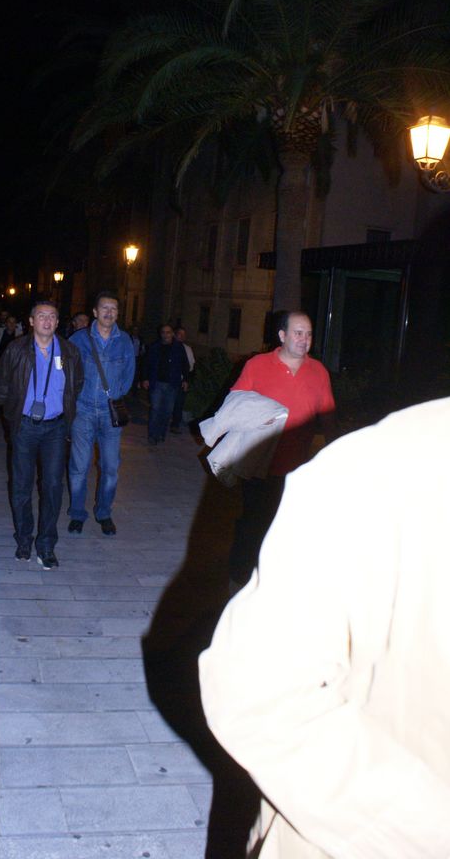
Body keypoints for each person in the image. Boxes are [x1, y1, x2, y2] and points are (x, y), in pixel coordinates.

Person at [199, 396, 450, 859]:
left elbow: (327, 413)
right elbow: (257, 689)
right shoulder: (380, 469)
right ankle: (247, 576)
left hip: (291, 463)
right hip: (267, 466)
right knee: (252, 521)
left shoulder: (317, 381)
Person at [227, 310, 336, 589]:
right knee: (253, 523)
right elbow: (235, 402)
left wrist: (335, 450)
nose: (304, 339)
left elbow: (328, 417)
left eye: (308, 334)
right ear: (282, 335)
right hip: (259, 464)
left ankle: (276, 582)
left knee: (288, 527)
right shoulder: (257, 365)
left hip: (297, 468)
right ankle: (239, 579)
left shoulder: (319, 372)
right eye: (298, 333)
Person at [0, 301, 83, 569]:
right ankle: (24, 539)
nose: (47, 321)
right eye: (41, 316)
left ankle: (46, 545)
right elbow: (0, 386)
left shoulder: (69, 351)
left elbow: (77, 383)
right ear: (31, 321)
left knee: (53, 486)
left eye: (52, 316)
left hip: (55, 427)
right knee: (21, 485)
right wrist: (13, 412)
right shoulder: (17, 349)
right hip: (24, 427)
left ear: (57, 322)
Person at [67, 291, 135, 536]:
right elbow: (66, 370)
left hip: (110, 414)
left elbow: (129, 375)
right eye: (104, 308)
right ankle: (77, 513)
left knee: (111, 467)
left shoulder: (124, 341)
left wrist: (115, 394)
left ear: (118, 313)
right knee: (79, 467)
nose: (109, 312)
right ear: (95, 312)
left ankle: (104, 512)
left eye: (113, 309)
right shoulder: (79, 339)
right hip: (83, 410)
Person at [143, 323, 190, 445]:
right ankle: (153, 435)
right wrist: (145, 378)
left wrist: (185, 380)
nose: (166, 335)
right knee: (155, 409)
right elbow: (146, 363)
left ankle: (161, 433)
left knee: (167, 411)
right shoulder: (155, 347)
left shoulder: (178, 347)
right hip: (157, 383)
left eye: (168, 332)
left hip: (172, 384)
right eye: (163, 332)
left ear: (172, 334)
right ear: (160, 334)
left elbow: (185, 364)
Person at [170, 326, 195, 432]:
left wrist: (186, 379)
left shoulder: (187, 349)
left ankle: (175, 424)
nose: (182, 337)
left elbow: (191, 365)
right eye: (180, 334)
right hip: (168, 380)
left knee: (179, 403)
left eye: (184, 335)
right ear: (175, 335)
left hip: (181, 380)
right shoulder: (169, 346)